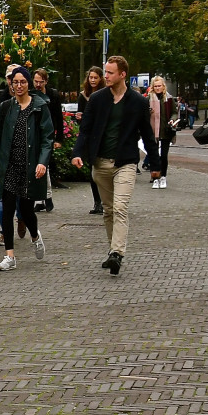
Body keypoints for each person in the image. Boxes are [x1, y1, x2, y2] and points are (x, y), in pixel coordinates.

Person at [71, 55, 158, 276]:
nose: (105, 76)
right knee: (108, 210)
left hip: (125, 162)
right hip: (100, 162)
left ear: (122, 74)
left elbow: (147, 135)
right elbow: (86, 129)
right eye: (105, 72)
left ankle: (117, 253)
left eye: (110, 73)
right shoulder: (97, 99)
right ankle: (113, 251)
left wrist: (156, 164)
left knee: (120, 207)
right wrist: (77, 152)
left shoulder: (138, 102)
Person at [0, 66, 54, 272]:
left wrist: (42, 162)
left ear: (28, 84)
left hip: (29, 167)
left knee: (27, 211)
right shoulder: (6, 107)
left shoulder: (39, 106)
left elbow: (47, 138)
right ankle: (9, 255)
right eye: (15, 82)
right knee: (7, 210)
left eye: (22, 82)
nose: (18, 86)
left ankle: (35, 236)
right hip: (9, 166)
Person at [33, 68, 66, 202]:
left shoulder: (53, 95)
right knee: (40, 165)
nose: (38, 85)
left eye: (41, 82)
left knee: (44, 163)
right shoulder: (31, 94)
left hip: (48, 133)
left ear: (46, 81)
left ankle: (45, 196)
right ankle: (45, 196)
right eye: (35, 81)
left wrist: (59, 138)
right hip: (35, 133)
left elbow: (58, 117)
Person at [76, 66, 105, 214]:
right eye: (90, 78)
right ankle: (97, 202)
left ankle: (106, 199)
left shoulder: (105, 94)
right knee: (92, 170)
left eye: (95, 78)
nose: (93, 80)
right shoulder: (83, 95)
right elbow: (81, 116)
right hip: (89, 137)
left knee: (104, 169)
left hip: (102, 136)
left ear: (101, 79)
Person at [145, 76, 178, 189]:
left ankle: (163, 176)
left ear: (163, 86)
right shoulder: (148, 98)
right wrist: (148, 112)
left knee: (163, 155)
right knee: (154, 155)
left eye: (160, 86)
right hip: (152, 131)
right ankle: (155, 177)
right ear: (152, 87)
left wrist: (172, 119)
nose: (158, 88)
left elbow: (174, 112)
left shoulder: (169, 98)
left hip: (165, 130)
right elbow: (143, 113)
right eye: (156, 86)